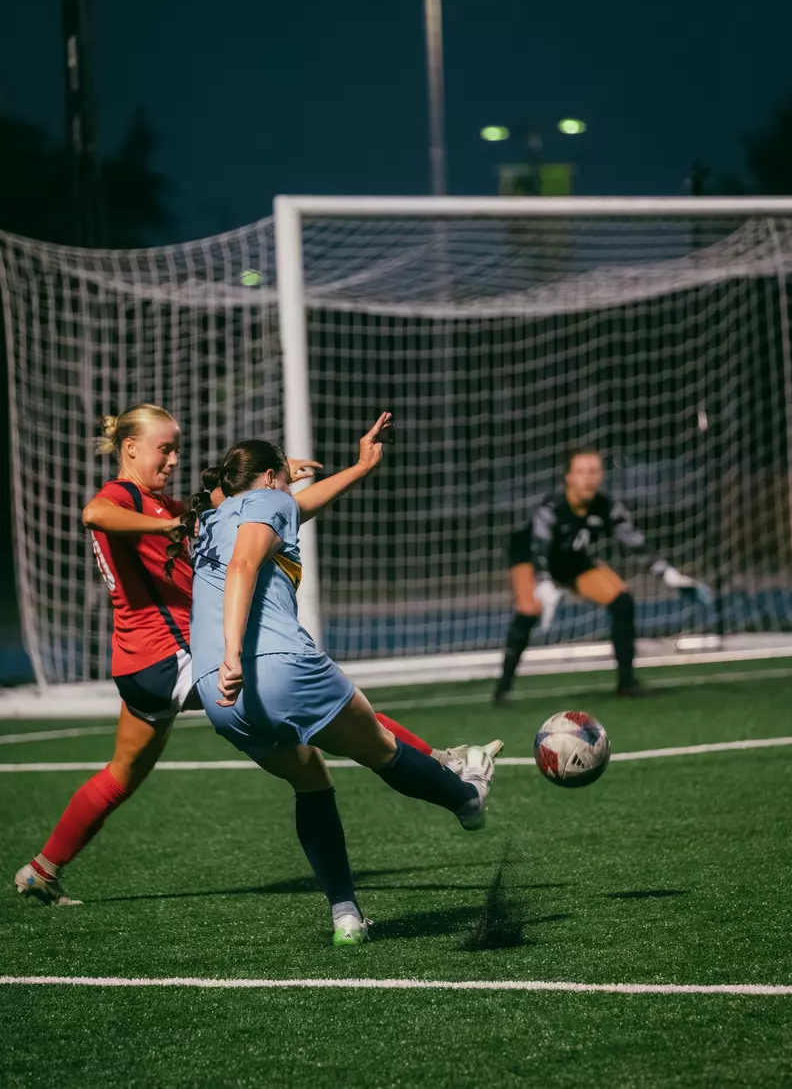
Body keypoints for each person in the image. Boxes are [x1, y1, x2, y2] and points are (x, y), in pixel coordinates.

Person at [15, 403, 496, 909]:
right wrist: (170, 528)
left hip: (137, 665)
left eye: (177, 448)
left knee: (122, 774)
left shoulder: (167, 505)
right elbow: (95, 514)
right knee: (318, 704)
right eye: (165, 448)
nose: (174, 458)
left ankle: (42, 869)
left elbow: (246, 505)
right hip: (174, 654)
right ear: (129, 448)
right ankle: (443, 763)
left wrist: (282, 478)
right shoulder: (129, 497)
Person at [188, 414, 497, 946]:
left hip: (216, 693)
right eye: (283, 475)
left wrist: (356, 468)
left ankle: (346, 915)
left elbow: (293, 507)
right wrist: (238, 653)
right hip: (274, 667)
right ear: (267, 479)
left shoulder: (213, 517)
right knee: (381, 748)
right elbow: (244, 565)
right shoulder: (268, 501)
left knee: (312, 781)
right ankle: (466, 797)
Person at [494, 447, 712, 703]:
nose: (588, 478)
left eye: (594, 471)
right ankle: (503, 689)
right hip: (530, 556)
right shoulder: (552, 507)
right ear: (568, 477)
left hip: (572, 559)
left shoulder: (606, 506)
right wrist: (543, 583)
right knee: (529, 609)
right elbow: (539, 547)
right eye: (581, 472)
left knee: (622, 600)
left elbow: (635, 543)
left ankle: (626, 682)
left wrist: (669, 575)